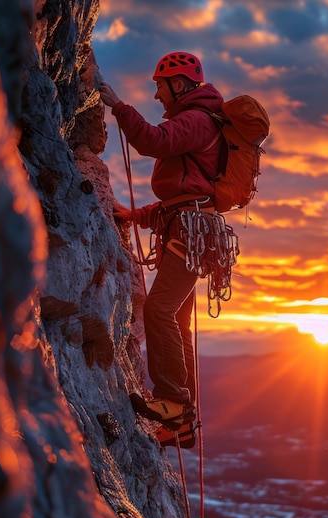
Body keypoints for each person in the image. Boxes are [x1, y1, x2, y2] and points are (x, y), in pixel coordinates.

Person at [99, 51, 224, 448]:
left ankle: (173, 401)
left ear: (180, 84)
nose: (157, 96)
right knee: (176, 320)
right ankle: (181, 426)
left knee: (159, 310)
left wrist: (118, 106)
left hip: (189, 233)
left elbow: (154, 141)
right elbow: (184, 195)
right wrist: (134, 216)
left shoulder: (197, 120)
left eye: (160, 86)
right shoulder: (198, 121)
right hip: (189, 229)